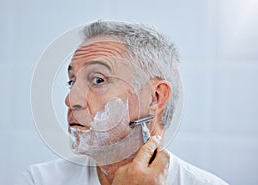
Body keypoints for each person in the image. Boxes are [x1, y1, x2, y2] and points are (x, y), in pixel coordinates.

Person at [18, 21, 229, 185]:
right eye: (71, 82)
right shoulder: (40, 180)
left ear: (155, 98)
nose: (71, 100)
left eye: (98, 80)